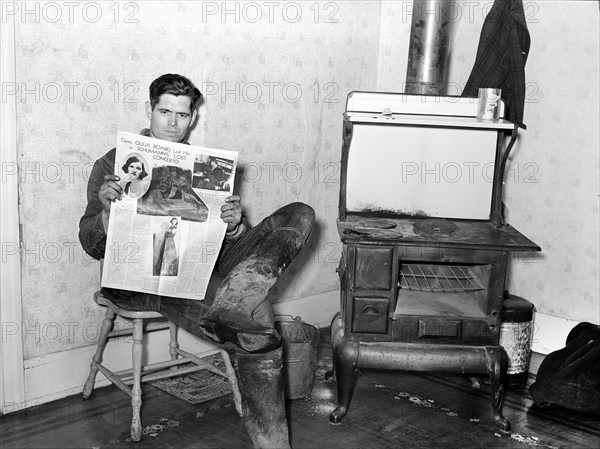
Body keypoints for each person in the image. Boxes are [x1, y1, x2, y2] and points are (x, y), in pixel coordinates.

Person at [79, 73, 315, 449]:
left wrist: (235, 227)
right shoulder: (113, 163)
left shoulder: (203, 165)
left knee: (300, 213)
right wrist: (107, 213)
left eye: (182, 115)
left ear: (193, 118)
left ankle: (240, 293)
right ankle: (273, 442)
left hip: (197, 267)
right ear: (149, 110)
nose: (173, 123)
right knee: (258, 329)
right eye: (164, 112)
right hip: (141, 277)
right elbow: (90, 244)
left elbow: (215, 243)